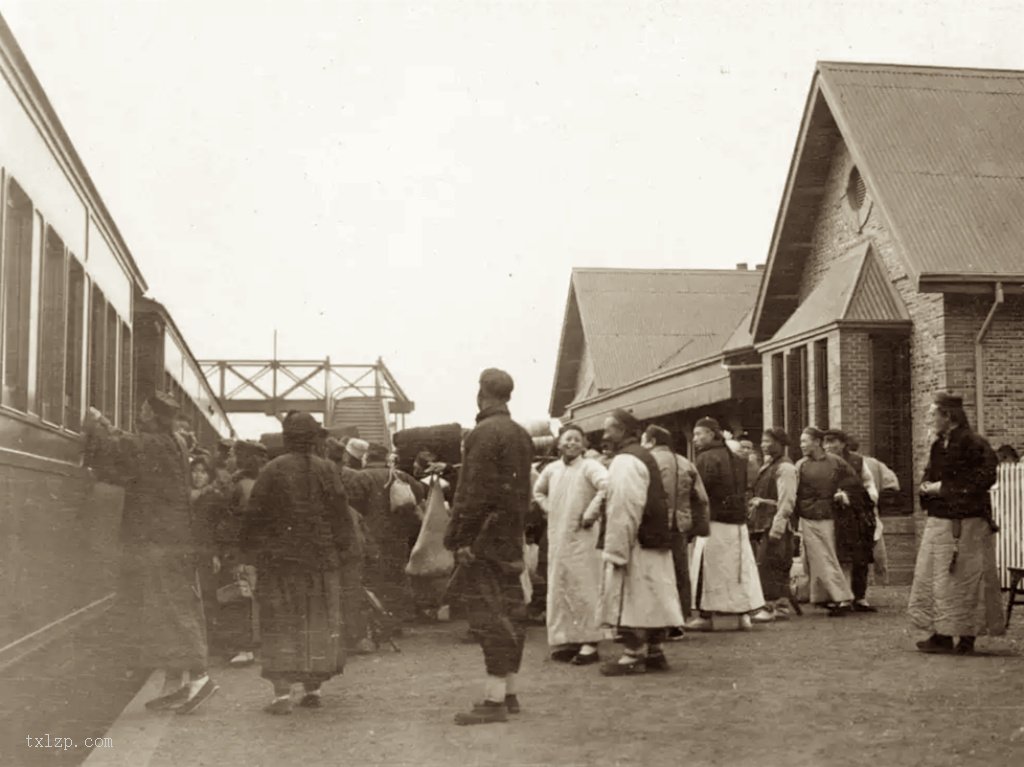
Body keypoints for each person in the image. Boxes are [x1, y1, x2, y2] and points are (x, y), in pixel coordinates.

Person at [83, 393, 218, 714]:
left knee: (174, 606)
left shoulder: (153, 444)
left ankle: (200, 677)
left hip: (161, 543)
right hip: (172, 540)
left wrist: (96, 424)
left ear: (155, 417)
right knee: (172, 605)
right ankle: (184, 684)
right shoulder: (172, 442)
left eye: (143, 410)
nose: (139, 413)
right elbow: (129, 445)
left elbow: (116, 450)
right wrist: (107, 426)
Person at [239, 412, 356, 714]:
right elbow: (341, 517)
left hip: (280, 564)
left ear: (287, 437)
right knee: (315, 623)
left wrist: (248, 555)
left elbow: (254, 517)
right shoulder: (328, 469)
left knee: (279, 624)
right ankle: (313, 690)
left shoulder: (272, 470)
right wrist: (343, 554)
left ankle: (281, 697)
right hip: (320, 563)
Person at [443, 368, 533, 725]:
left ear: (481, 394)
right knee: (512, 613)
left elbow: (472, 494)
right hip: (510, 538)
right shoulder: (521, 435)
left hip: (482, 539)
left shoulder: (482, 434)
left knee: (488, 616)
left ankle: (494, 701)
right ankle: (508, 692)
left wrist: (459, 539)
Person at [909, 392, 1004, 654]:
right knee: (936, 579)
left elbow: (985, 478)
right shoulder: (939, 445)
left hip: (967, 522)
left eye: (932, 414)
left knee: (964, 580)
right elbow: (931, 473)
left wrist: (946, 488)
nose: (929, 418)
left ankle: (966, 636)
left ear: (947, 416)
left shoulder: (975, 444)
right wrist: (927, 486)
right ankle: (941, 633)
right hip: (940, 520)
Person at [597, 409, 683, 676]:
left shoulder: (626, 461)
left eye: (608, 429)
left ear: (622, 430)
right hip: (652, 539)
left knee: (633, 600)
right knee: (653, 598)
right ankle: (655, 652)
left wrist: (616, 550)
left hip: (636, 542)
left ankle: (632, 655)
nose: (604, 435)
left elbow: (624, 507)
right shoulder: (643, 457)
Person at [532, 424, 608, 665]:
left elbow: (607, 487)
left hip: (583, 537)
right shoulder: (552, 470)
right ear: (558, 444)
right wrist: (549, 509)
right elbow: (538, 491)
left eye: (577, 439)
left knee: (584, 585)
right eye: (567, 439)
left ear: (584, 444)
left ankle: (589, 642)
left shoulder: (591, 467)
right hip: (558, 537)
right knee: (560, 585)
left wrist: (591, 513)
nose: (572, 443)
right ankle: (565, 639)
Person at [687, 417, 765, 631]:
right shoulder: (737, 457)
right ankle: (742, 614)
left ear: (711, 434)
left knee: (709, 567)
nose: (695, 439)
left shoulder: (706, 458)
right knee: (739, 568)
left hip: (715, 520)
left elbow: (699, 492)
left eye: (698, 434)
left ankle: (706, 616)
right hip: (738, 521)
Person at [641, 424, 709, 626]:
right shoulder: (686, 463)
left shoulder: (647, 462)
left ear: (652, 441)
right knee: (680, 570)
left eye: (645, 440)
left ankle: (658, 619)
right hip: (681, 524)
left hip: (653, 524)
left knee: (655, 572)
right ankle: (682, 616)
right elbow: (702, 498)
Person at [793, 427, 858, 616]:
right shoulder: (801, 465)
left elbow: (853, 481)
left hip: (828, 515)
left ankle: (841, 597)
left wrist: (843, 493)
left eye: (805, 441)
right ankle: (824, 597)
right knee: (816, 558)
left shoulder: (836, 462)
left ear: (817, 442)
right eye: (801, 441)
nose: (802, 445)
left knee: (826, 556)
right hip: (808, 516)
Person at [361, 442, 425, 622]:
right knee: (397, 574)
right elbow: (420, 492)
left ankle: (380, 620)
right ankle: (400, 617)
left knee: (374, 577)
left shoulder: (360, 477)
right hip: (398, 534)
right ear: (385, 457)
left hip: (371, 535)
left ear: (367, 457)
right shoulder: (400, 475)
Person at [822, 430, 879, 612]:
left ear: (843, 443)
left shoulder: (857, 461)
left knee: (860, 556)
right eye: (826, 442)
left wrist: (867, 498)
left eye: (833, 441)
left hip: (858, 513)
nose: (829, 446)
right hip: (835, 515)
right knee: (841, 557)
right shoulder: (823, 462)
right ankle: (843, 597)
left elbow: (868, 484)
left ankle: (860, 597)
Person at [748, 428, 798, 621]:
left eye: (768, 441)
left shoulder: (785, 468)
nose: (763, 445)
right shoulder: (770, 465)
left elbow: (787, 500)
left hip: (775, 522)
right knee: (773, 563)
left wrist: (778, 526)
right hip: (764, 520)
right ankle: (779, 606)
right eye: (762, 441)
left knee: (771, 563)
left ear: (780, 443)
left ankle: (772, 607)